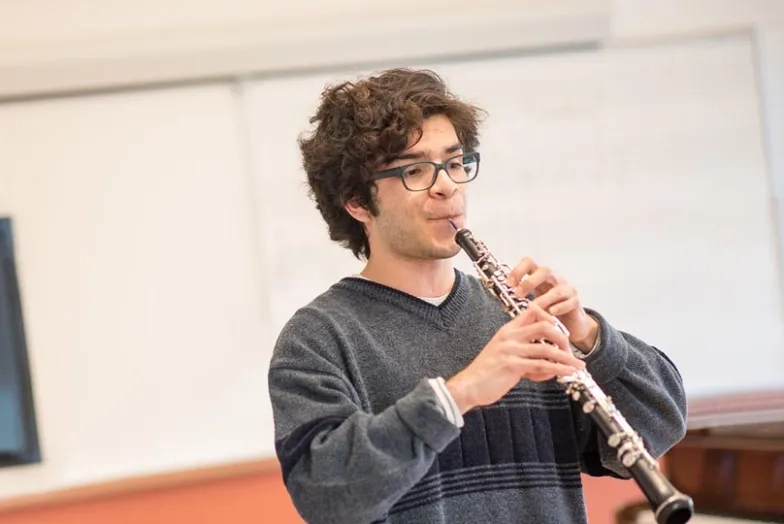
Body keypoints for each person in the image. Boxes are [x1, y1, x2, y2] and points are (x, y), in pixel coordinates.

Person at [267, 68, 688, 524]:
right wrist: (461, 393)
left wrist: (588, 335)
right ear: (356, 201)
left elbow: (662, 419)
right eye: (415, 170)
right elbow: (324, 496)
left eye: (453, 162)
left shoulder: (520, 318)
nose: (447, 185)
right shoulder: (317, 339)